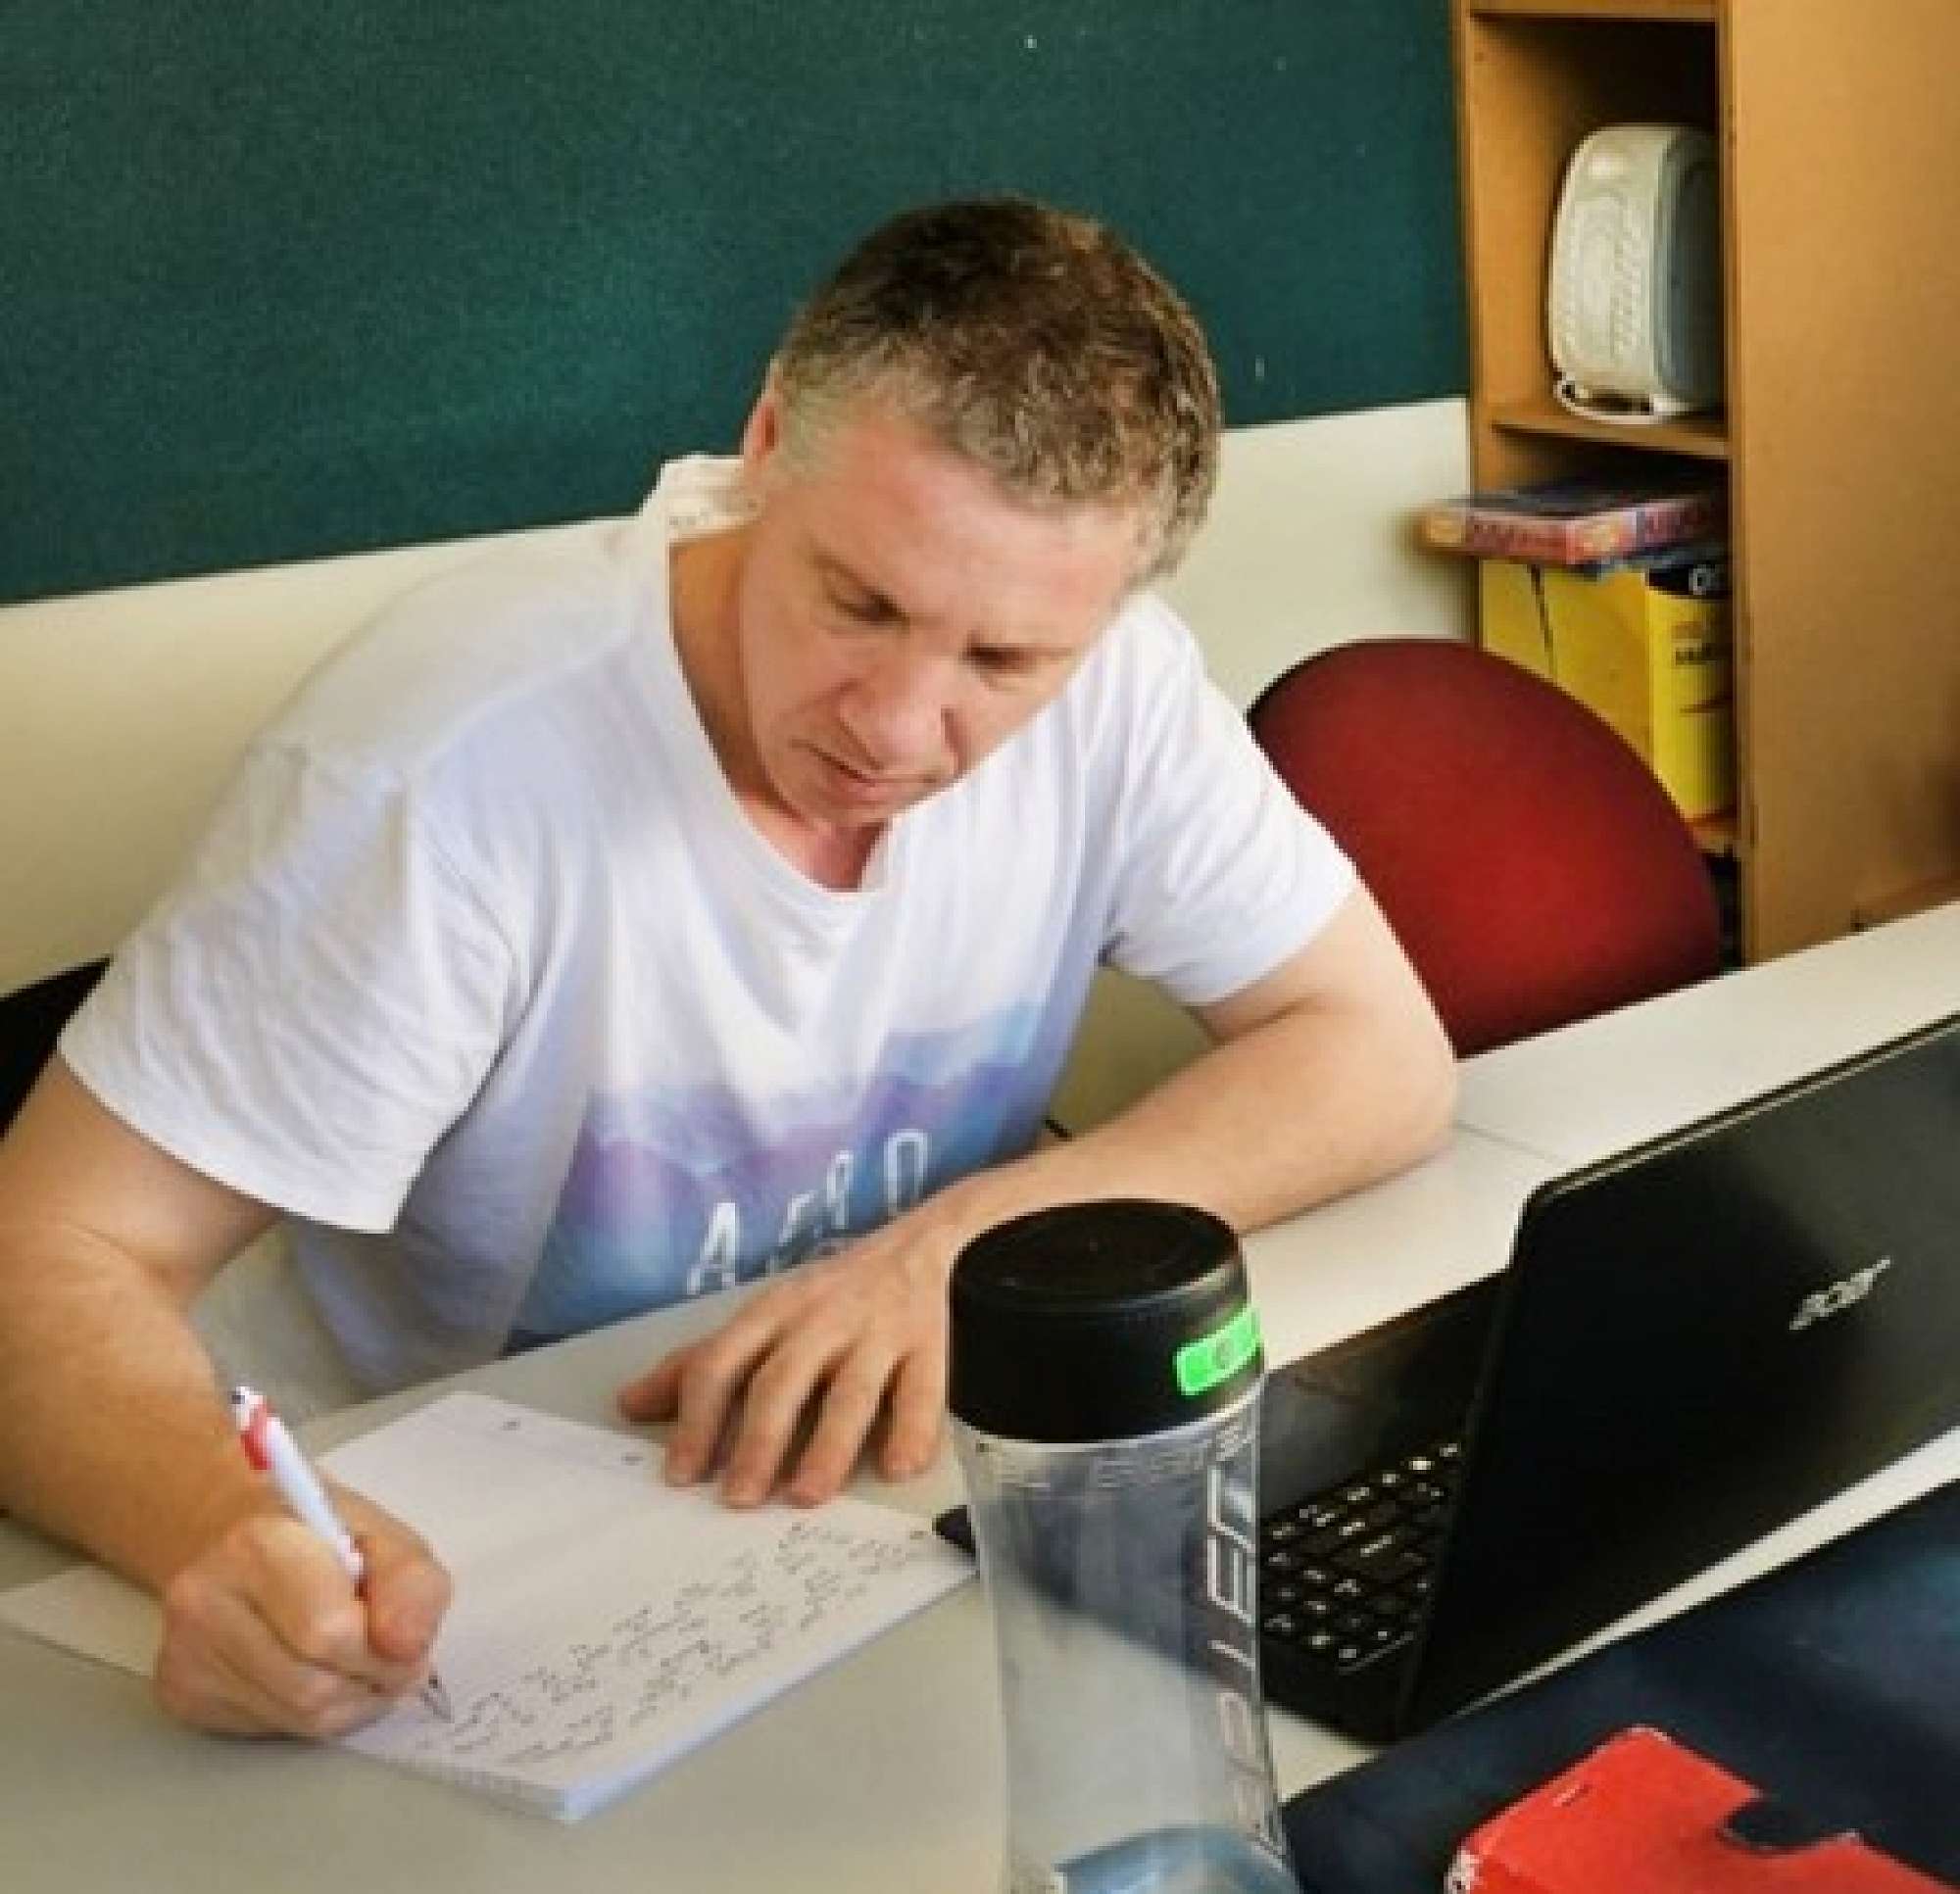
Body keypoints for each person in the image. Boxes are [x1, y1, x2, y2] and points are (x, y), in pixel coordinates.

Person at [0, 197, 1456, 1738]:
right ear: (765, 444)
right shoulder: (449, 768)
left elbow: (1374, 1050)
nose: (895, 727)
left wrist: (965, 1248)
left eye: (1002, 661)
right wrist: (216, 1531)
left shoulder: (1123, 693)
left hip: (830, 1534)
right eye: (861, 601)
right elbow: (42, 1259)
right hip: (405, 1584)